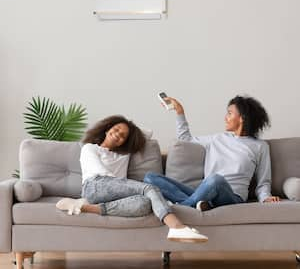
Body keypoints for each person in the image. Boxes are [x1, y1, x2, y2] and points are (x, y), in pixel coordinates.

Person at [56, 115, 208, 243]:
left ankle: (84, 207)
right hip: (95, 185)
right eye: (115, 130)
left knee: (145, 203)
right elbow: (100, 173)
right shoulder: (90, 148)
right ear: (107, 128)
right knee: (148, 188)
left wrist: (130, 129)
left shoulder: (124, 154)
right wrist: (128, 187)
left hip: (113, 194)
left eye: (123, 136)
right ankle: (176, 227)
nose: (118, 135)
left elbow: (147, 133)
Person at [144, 95, 280, 211]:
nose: (225, 117)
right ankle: (198, 204)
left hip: (232, 197)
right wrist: (179, 111)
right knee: (150, 178)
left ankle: (184, 208)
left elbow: (263, 182)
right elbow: (185, 139)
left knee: (215, 179)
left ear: (242, 118)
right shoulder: (217, 139)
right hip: (206, 192)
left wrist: (265, 198)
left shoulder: (260, 146)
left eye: (230, 113)